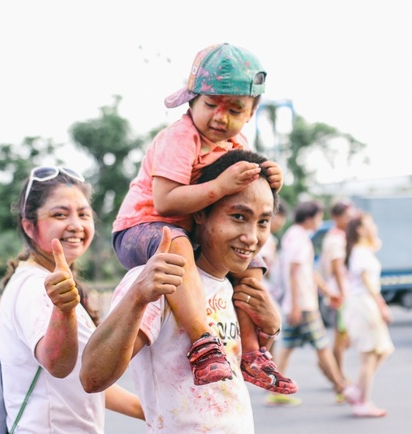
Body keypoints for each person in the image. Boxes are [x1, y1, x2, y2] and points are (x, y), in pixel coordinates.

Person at [111, 43, 295, 394]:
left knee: (252, 261)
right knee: (177, 241)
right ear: (191, 101)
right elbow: (165, 202)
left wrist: (270, 178)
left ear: (251, 112)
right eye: (210, 104)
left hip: (185, 232)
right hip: (140, 229)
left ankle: (254, 353)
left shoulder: (234, 141)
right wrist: (220, 184)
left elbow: (245, 191)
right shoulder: (181, 138)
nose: (220, 117)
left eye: (235, 109)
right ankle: (202, 342)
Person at [81, 150, 284, 433]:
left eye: (263, 222)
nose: (252, 237)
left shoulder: (229, 286)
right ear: (200, 211)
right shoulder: (162, 281)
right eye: (238, 216)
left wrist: (270, 331)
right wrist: (138, 296)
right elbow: (92, 377)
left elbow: (228, 379)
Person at [0, 166, 147, 433]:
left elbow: (84, 379)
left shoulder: (42, 279)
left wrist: (156, 411)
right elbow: (57, 363)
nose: (76, 225)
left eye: (83, 214)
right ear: (29, 226)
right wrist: (63, 311)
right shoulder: (35, 286)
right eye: (60, 214)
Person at [267, 200, 359, 407]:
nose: (319, 220)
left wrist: (328, 292)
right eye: (318, 216)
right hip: (304, 304)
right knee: (323, 346)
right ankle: (341, 387)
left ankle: (275, 389)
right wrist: (297, 304)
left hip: (297, 303)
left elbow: (309, 272)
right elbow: (294, 273)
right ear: (309, 218)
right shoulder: (299, 240)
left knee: (287, 346)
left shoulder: (293, 236)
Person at [343, 212, 395, 417]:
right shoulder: (360, 252)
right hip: (363, 304)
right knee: (370, 355)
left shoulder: (363, 250)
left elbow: (376, 245)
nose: (374, 226)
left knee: (382, 350)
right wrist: (381, 305)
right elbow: (367, 282)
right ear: (359, 229)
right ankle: (362, 401)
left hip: (363, 303)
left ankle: (357, 391)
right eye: (369, 223)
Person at [319, 199, 356, 394]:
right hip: (339, 292)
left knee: (343, 337)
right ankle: (337, 375)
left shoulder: (340, 236)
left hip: (340, 290)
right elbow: (337, 267)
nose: (350, 220)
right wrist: (343, 293)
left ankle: (332, 370)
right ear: (336, 217)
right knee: (341, 338)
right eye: (347, 216)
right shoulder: (335, 239)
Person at [261, 200, 288, 307]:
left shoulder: (271, 238)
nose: (282, 222)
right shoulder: (265, 237)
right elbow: (265, 264)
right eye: (280, 216)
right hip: (264, 288)